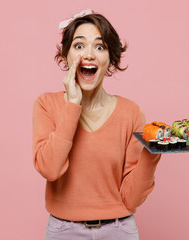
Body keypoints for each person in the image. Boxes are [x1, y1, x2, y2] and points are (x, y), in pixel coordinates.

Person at [32, 9, 161, 240]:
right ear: (66, 56)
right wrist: (72, 105)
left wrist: (153, 152)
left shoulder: (131, 113)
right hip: (63, 231)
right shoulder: (46, 104)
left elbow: (132, 199)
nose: (89, 54)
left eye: (99, 47)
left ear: (111, 59)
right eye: (79, 46)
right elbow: (49, 170)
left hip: (119, 230)